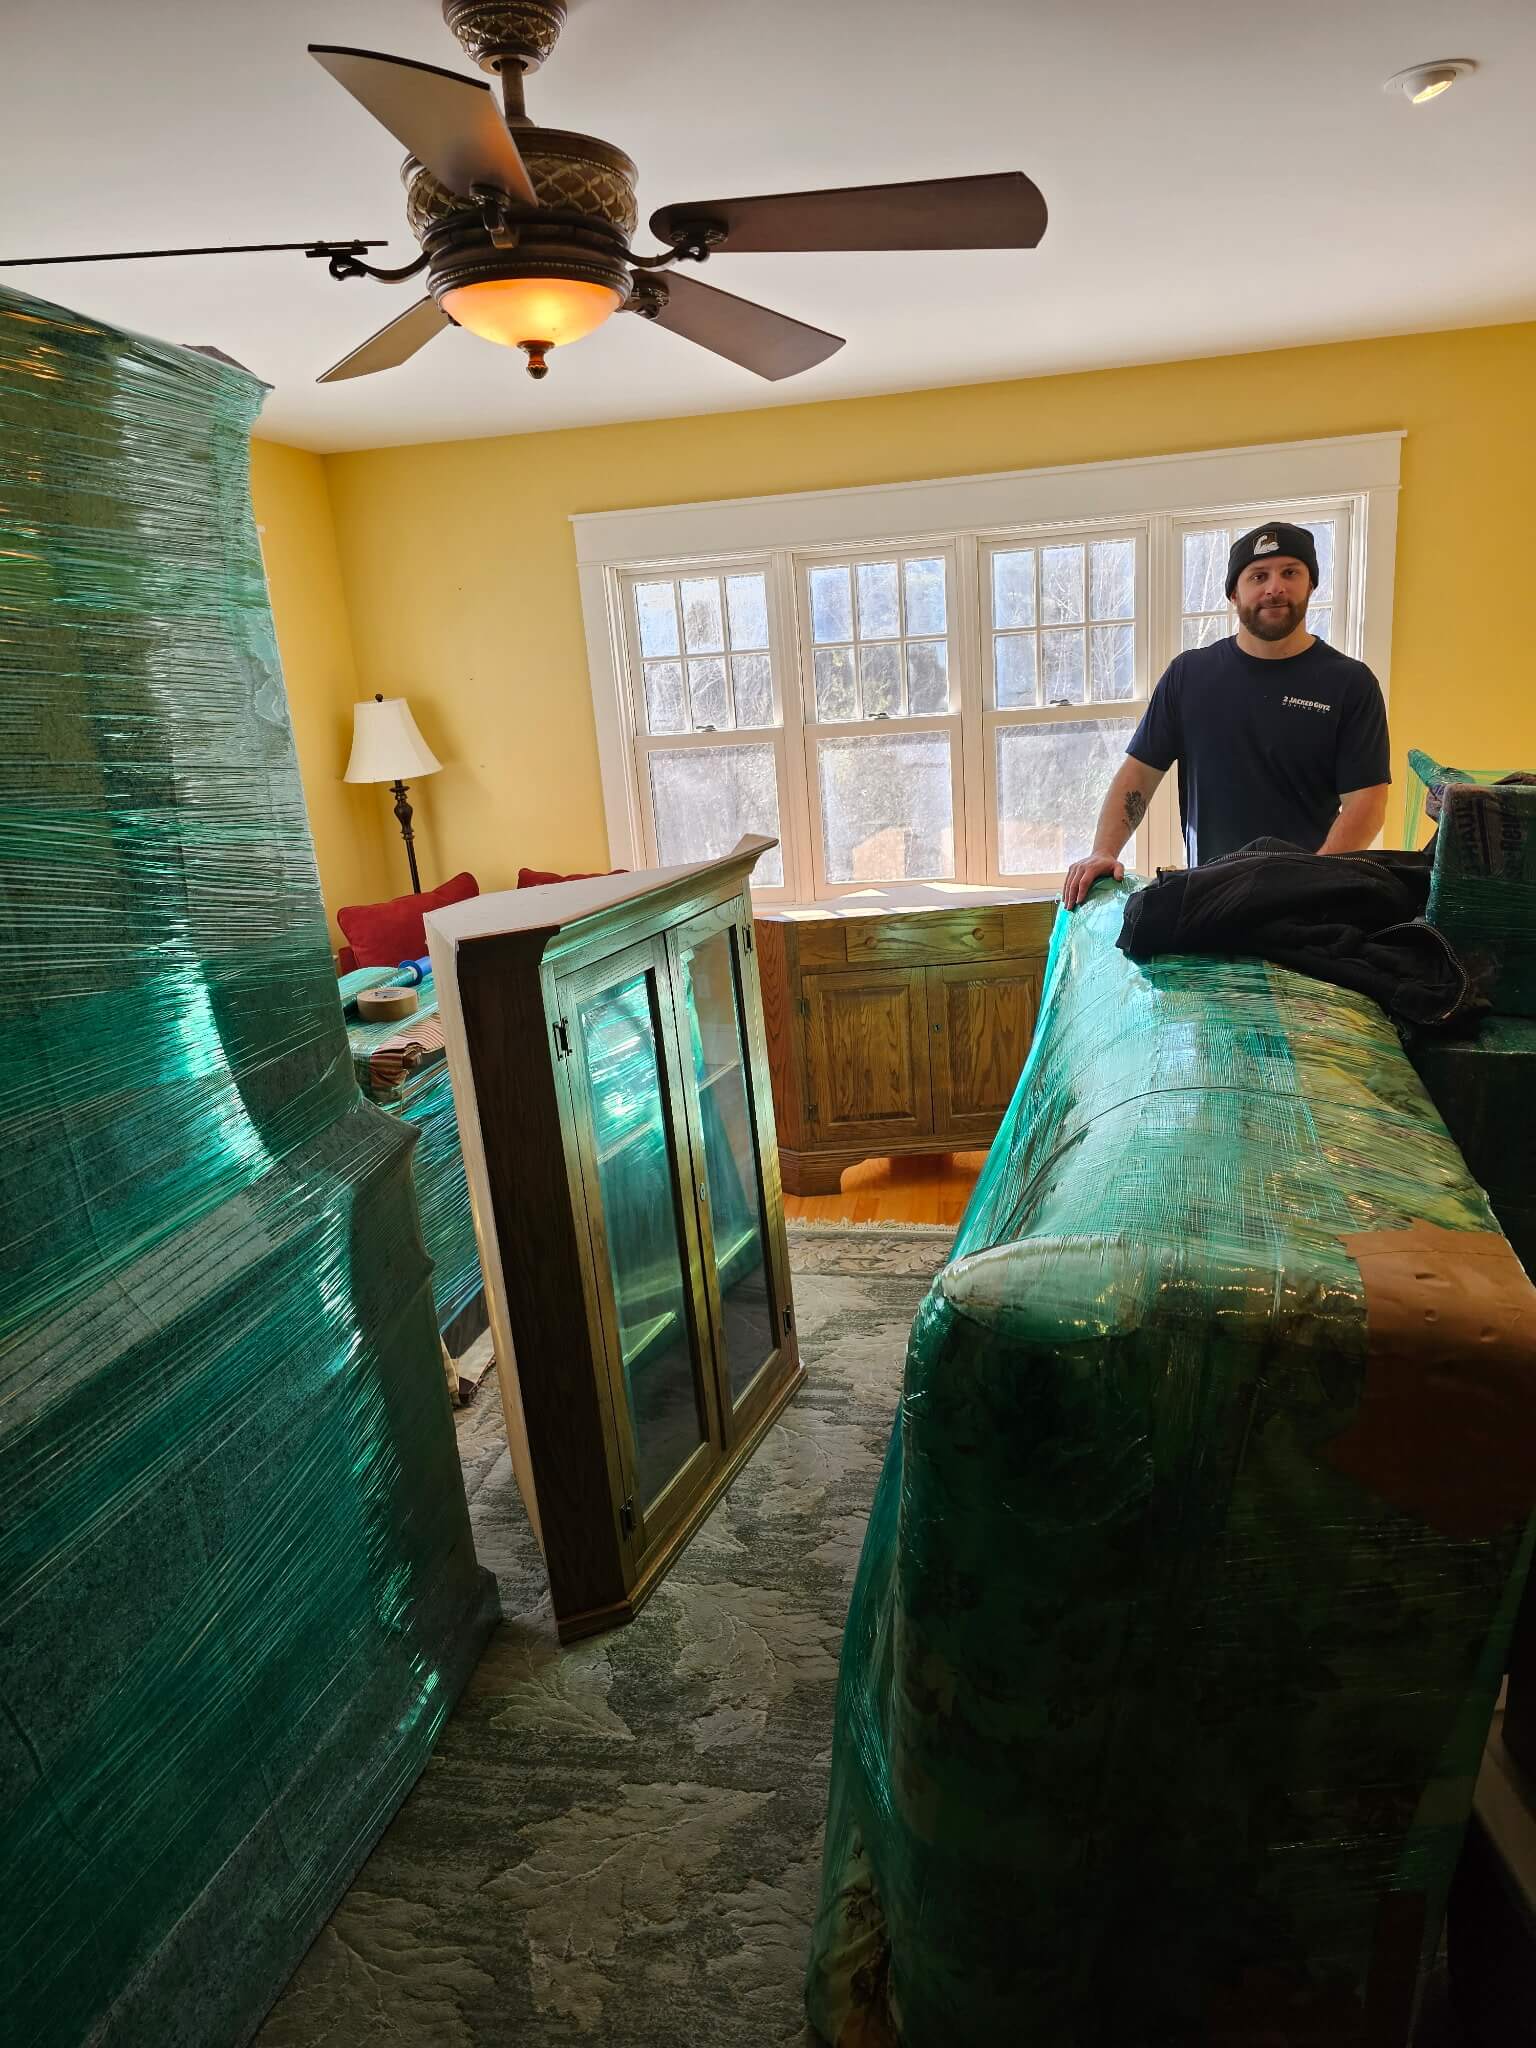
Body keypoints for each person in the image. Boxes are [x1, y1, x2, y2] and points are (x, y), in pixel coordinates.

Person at [1063, 521, 1391, 908]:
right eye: (1258, 576)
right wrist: (1104, 850)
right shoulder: (1190, 675)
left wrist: (1314, 880)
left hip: (1307, 903)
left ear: (1311, 585)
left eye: (1290, 572)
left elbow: (1366, 803)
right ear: (1234, 594)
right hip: (1211, 898)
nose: (1275, 588)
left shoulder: (1350, 684)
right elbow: (1140, 773)